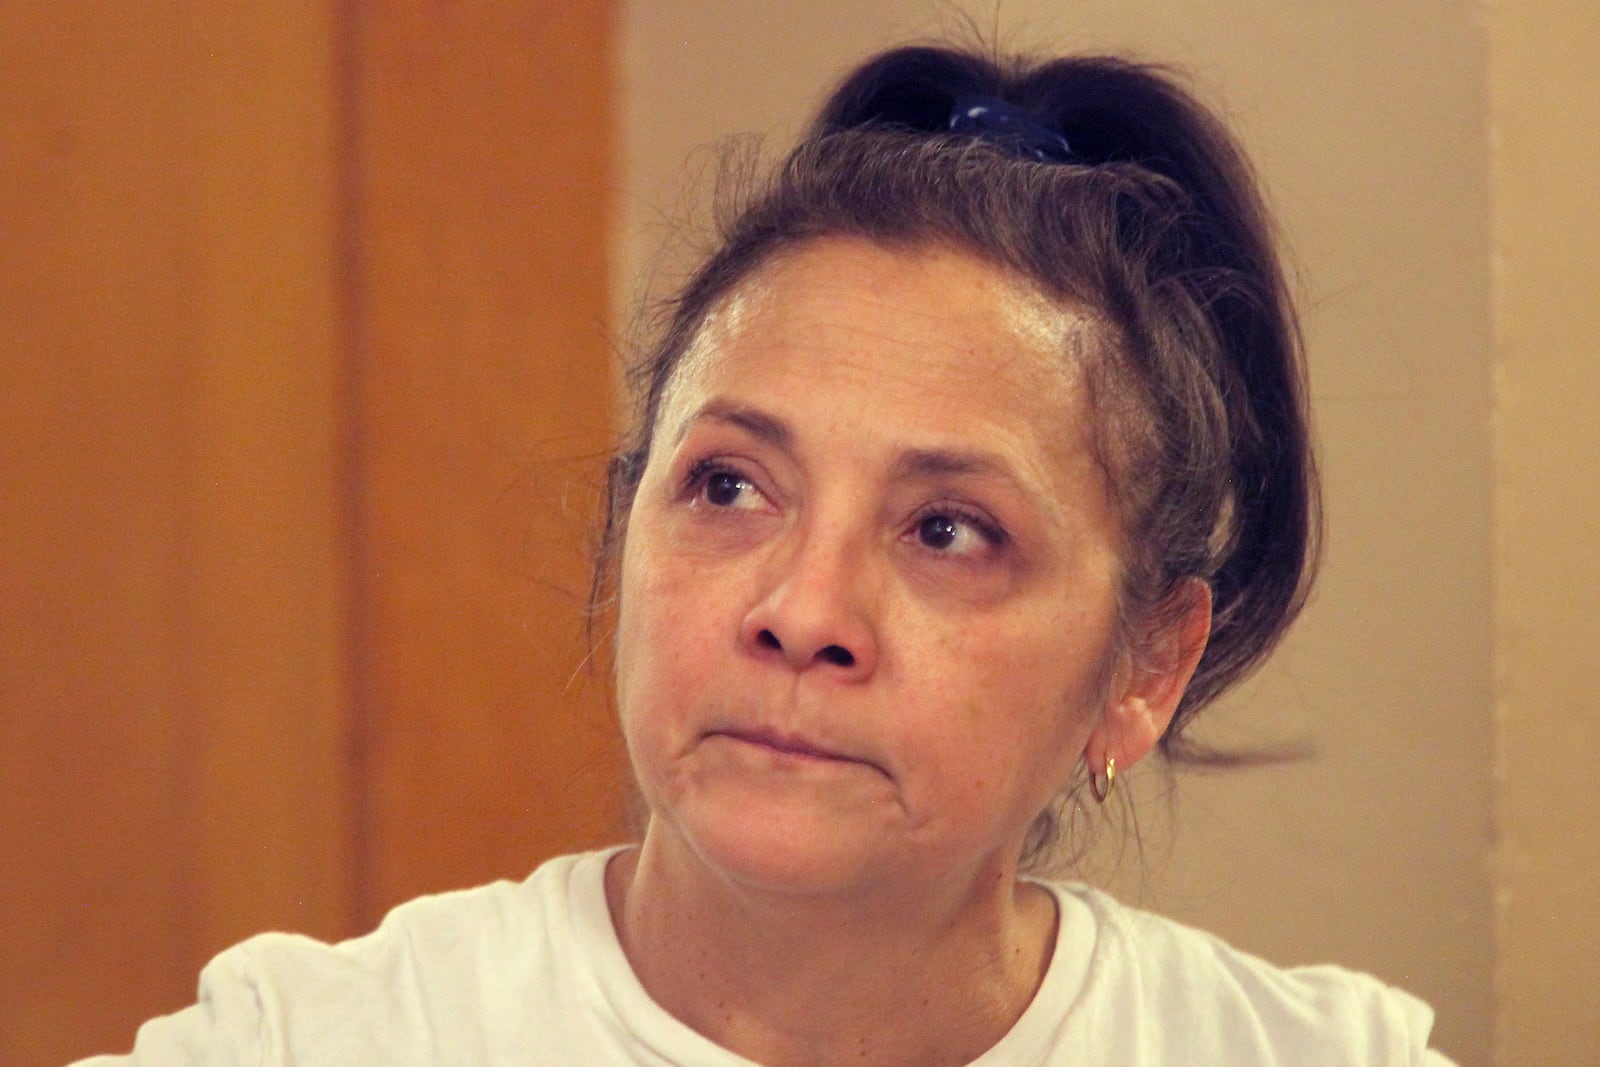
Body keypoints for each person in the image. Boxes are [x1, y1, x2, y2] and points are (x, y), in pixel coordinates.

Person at [77, 43, 1456, 1066]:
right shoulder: (317, 1043)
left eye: (949, 530)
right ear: (628, 537)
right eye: (731, 486)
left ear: (1145, 667)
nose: (803, 612)